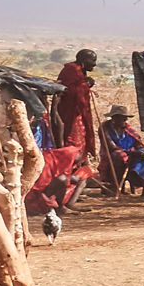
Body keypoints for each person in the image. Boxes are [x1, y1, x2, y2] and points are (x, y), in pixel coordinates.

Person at [54, 48, 117, 191]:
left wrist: (85, 84)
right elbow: (69, 91)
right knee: (72, 147)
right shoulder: (71, 70)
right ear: (83, 60)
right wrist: (85, 85)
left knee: (81, 148)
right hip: (70, 117)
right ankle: (69, 184)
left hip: (79, 117)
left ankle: (79, 182)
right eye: (92, 61)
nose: (94, 65)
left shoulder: (78, 71)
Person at [100, 104, 144, 195]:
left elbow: (138, 144)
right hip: (112, 154)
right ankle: (116, 186)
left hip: (130, 153)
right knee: (119, 155)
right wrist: (129, 152)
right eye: (122, 118)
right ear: (114, 118)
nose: (125, 120)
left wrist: (141, 151)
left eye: (125, 118)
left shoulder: (129, 129)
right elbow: (111, 146)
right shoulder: (105, 127)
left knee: (143, 155)